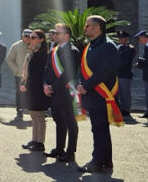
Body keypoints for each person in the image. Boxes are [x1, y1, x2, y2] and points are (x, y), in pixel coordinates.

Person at [76, 15, 122, 173]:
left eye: (88, 26)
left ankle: (96, 162)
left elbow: (104, 71)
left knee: (99, 129)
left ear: (97, 28)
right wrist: (79, 84)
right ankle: (106, 160)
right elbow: (82, 68)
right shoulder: (92, 45)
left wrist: (86, 86)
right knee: (101, 128)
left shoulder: (108, 46)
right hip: (92, 94)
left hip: (101, 95)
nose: (85, 28)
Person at [44, 24, 81, 162]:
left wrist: (52, 87)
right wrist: (45, 85)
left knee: (70, 122)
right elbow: (47, 70)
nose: (55, 34)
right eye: (54, 32)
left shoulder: (73, 51)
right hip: (54, 92)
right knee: (58, 120)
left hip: (67, 92)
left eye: (57, 33)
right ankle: (59, 148)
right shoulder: (54, 50)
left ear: (66, 36)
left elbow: (68, 73)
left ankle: (70, 152)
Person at [19, 29, 49, 152]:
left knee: (38, 115)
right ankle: (35, 139)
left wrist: (28, 85)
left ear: (41, 39)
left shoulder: (43, 55)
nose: (30, 39)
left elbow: (38, 75)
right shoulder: (32, 52)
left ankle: (40, 142)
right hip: (31, 87)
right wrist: (23, 82)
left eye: (33, 37)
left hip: (37, 89)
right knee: (33, 114)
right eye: (29, 37)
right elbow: (26, 71)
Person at [7, 29, 32, 120]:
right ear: (22, 36)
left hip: (32, 75)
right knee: (20, 93)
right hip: (19, 74)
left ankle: (31, 109)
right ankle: (19, 110)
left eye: (29, 36)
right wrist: (16, 70)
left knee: (31, 92)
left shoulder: (34, 45)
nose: (27, 38)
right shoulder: (16, 46)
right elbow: (9, 59)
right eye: (26, 36)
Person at [115, 30, 135, 117]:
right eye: (119, 38)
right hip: (117, 74)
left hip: (125, 73)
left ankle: (126, 109)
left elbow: (126, 61)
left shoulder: (130, 48)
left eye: (122, 38)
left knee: (125, 93)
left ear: (126, 39)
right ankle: (121, 108)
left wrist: (116, 67)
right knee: (119, 93)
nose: (120, 39)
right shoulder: (118, 47)